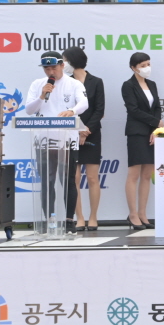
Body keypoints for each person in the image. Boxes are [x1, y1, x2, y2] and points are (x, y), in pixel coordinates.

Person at [24, 50, 89, 233]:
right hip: (44, 140)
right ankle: (50, 219)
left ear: (62, 65)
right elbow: (29, 110)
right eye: (47, 69)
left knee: (68, 180)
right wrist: (41, 96)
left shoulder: (74, 83)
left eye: (54, 67)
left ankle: (69, 220)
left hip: (67, 140)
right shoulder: (37, 84)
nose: (50, 72)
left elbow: (84, 103)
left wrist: (72, 111)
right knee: (47, 181)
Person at [64, 47, 105, 232]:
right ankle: (79, 217)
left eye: (65, 60)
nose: (63, 64)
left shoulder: (96, 82)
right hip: (71, 133)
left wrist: (86, 130)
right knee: (74, 177)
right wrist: (78, 129)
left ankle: (93, 216)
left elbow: (99, 109)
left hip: (92, 133)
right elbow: (66, 108)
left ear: (73, 61)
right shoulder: (66, 83)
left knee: (93, 177)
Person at [120, 52, 160, 230]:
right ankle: (133, 214)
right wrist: (155, 122)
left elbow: (157, 107)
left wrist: (156, 129)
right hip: (136, 132)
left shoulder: (152, 84)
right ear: (133, 68)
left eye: (148, 64)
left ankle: (143, 214)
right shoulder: (128, 86)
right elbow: (133, 110)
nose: (147, 68)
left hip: (151, 133)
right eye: (143, 65)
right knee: (134, 174)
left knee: (146, 175)